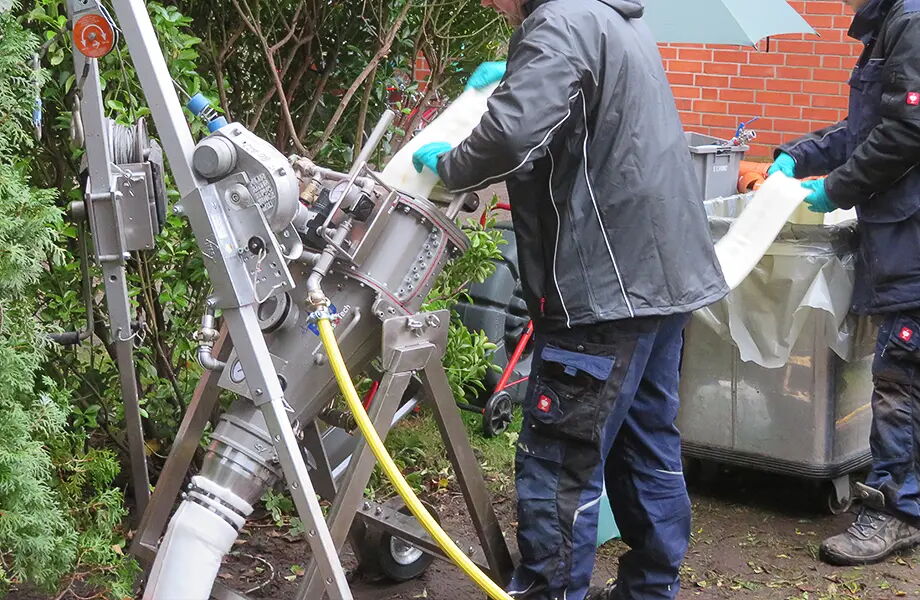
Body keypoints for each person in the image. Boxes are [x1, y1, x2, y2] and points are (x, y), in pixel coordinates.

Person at [412, 1, 727, 598]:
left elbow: (510, 135)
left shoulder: (558, 22)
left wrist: (454, 166)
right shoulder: (611, 18)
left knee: (558, 463)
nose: (486, 3)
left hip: (603, 292)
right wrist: (511, 82)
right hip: (661, 281)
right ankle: (651, 589)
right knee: (645, 442)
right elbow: (574, 116)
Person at [769, 0, 920, 567]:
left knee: (901, 379)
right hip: (901, 235)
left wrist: (837, 189)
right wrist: (800, 155)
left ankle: (895, 513)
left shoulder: (910, 22)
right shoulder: (891, 25)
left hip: (912, 239)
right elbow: (869, 129)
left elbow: (906, 132)